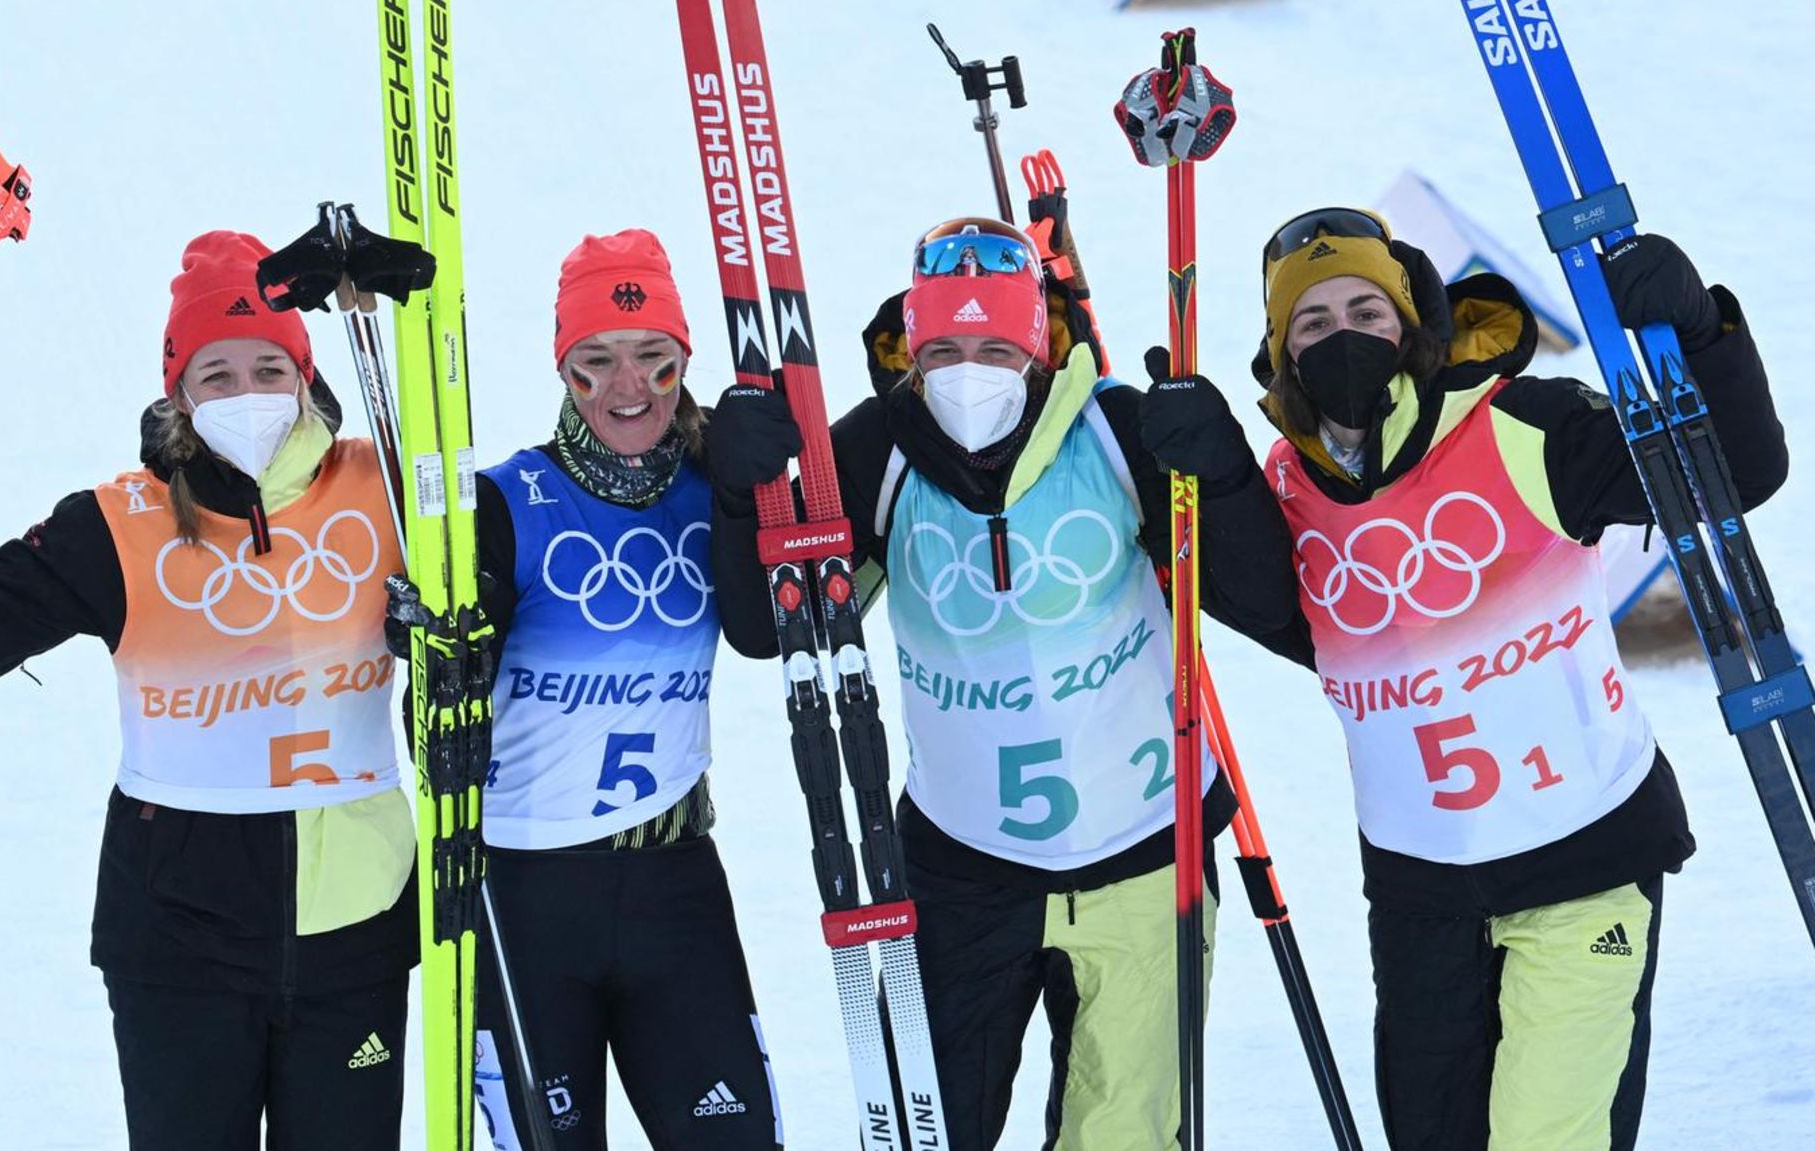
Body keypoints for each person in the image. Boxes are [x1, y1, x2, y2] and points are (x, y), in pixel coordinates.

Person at [1142, 207, 1788, 1151]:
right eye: (1312, 325)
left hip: (1587, 857)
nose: (1343, 336)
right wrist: (1215, 479)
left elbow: (1736, 472)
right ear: (1280, 353)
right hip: (1422, 894)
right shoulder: (1289, 485)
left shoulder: (1522, 424)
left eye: (1366, 309)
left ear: (1410, 322)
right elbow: (1293, 621)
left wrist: (1701, 332)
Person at [0, 231, 418, 1148]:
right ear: (177, 390)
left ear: (305, 377)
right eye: (218, 375)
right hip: (178, 943)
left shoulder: (386, 491)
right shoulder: (116, 525)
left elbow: (492, 616)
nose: (248, 396)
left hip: (356, 931)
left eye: (269, 367)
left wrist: (451, 626)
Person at [706, 216, 1298, 1150]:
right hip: (958, 866)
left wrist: (1222, 471)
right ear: (909, 348)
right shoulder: (872, 452)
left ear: (1037, 344)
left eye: (992, 346)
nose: (966, 371)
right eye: (942, 347)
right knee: (930, 1127)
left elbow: (1269, 604)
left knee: (1128, 1133)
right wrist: (744, 493)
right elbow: (767, 629)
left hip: (1147, 855)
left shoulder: (1117, 431)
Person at [436, 228, 781, 1150]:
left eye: (655, 362)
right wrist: (433, 641)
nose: (628, 390)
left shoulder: (718, 484)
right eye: (597, 362)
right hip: (523, 892)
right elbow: (436, 693)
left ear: (681, 361)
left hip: (674, 881)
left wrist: (758, 490)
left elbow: (763, 631)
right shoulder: (508, 501)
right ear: (565, 366)